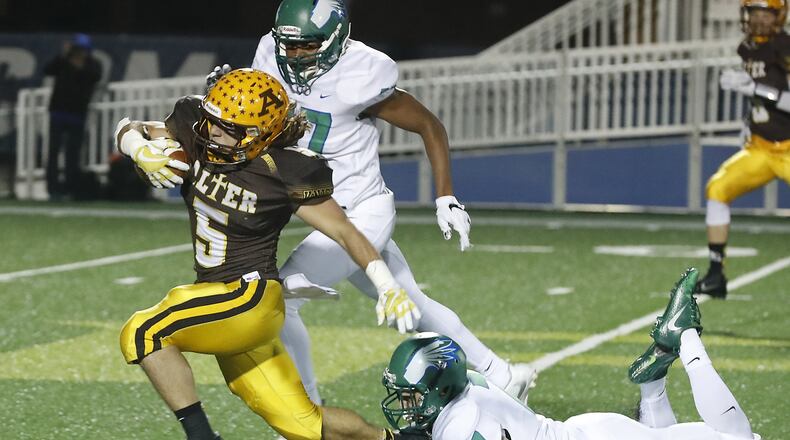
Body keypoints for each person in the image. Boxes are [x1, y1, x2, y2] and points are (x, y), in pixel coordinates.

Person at [220, 0, 536, 407]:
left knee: (277, 304)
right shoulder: (269, 53)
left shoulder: (363, 74)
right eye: (289, 46)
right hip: (321, 207)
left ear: (335, 39)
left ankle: (306, 417)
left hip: (359, 212)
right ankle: (503, 375)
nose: (295, 56)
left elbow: (429, 124)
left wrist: (446, 196)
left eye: (308, 46)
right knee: (414, 305)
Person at [116, 68, 426, 440]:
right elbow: (131, 127)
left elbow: (344, 230)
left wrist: (386, 284)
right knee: (305, 426)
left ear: (259, 133)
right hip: (222, 305)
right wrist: (139, 149)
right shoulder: (198, 126)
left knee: (143, 331)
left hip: (249, 299)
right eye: (213, 120)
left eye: (228, 127)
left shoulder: (282, 170)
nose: (213, 131)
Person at [381, 268, 761, 440]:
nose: (406, 406)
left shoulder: (461, 426)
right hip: (587, 432)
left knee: (741, 439)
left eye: (412, 395)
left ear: (440, 389)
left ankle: (685, 335)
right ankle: (653, 384)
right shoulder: (464, 395)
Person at [698, 0, 790, 298]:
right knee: (717, 189)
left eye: (767, 13)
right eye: (755, 12)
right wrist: (748, 123)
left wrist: (754, 89)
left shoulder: (785, 46)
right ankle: (715, 275)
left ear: (779, 16)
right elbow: (761, 101)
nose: (760, 19)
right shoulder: (747, 48)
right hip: (761, 148)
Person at [43, 33, 102, 201]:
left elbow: (94, 77)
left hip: (77, 114)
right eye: (77, 49)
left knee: (73, 154)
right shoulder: (62, 62)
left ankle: (70, 188)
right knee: (53, 151)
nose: (79, 52)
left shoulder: (92, 65)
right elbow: (47, 70)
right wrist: (63, 56)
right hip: (58, 113)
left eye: (83, 49)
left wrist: (78, 66)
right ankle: (53, 189)